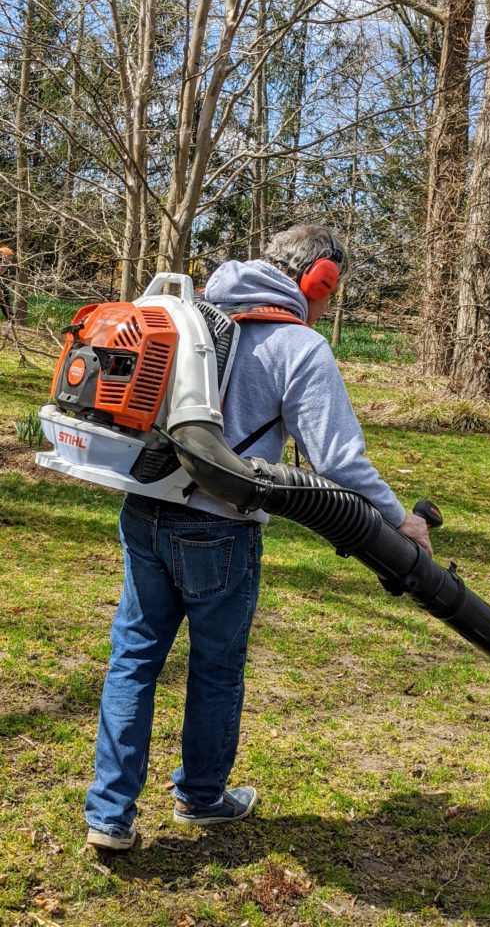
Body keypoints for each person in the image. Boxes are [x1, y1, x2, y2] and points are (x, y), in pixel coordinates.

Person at [85, 224, 432, 851]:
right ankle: (202, 796)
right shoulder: (298, 346)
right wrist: (399, 519)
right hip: (220, 528)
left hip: (144, 508)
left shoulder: (189, 313)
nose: (327, 303)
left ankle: (108, 815)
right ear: (316, 281)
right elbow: (339, 462)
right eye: (330, 291)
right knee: (216, 669)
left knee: (134, 659)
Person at [0, 246, 14, 320]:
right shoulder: (2, 257)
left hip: (1, 283)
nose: (11, 258)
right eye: (10, 256)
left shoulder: (9, 264)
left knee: (6, 295)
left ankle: (10, 315)